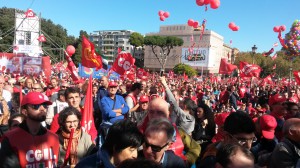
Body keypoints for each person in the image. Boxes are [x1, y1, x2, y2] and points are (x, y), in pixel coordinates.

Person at [0, 92, 60, 167]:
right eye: (36, 106)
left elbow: (58, 163)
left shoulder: (53, 137)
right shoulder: (10, 139)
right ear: (24, 111)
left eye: (45, 105)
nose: (42, 109)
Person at [138, 97, 200, 166]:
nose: (155, 116)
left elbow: (196, 147)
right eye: (151, 112)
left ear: (168, 113)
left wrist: (186, 161)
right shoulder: (138, 132)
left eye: (160, 112)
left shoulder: (178, 132)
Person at [75, 120, 143, 168]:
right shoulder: (88, 165)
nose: (135, 155)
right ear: (115, 147)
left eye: (136, 149)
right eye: (131, 150)